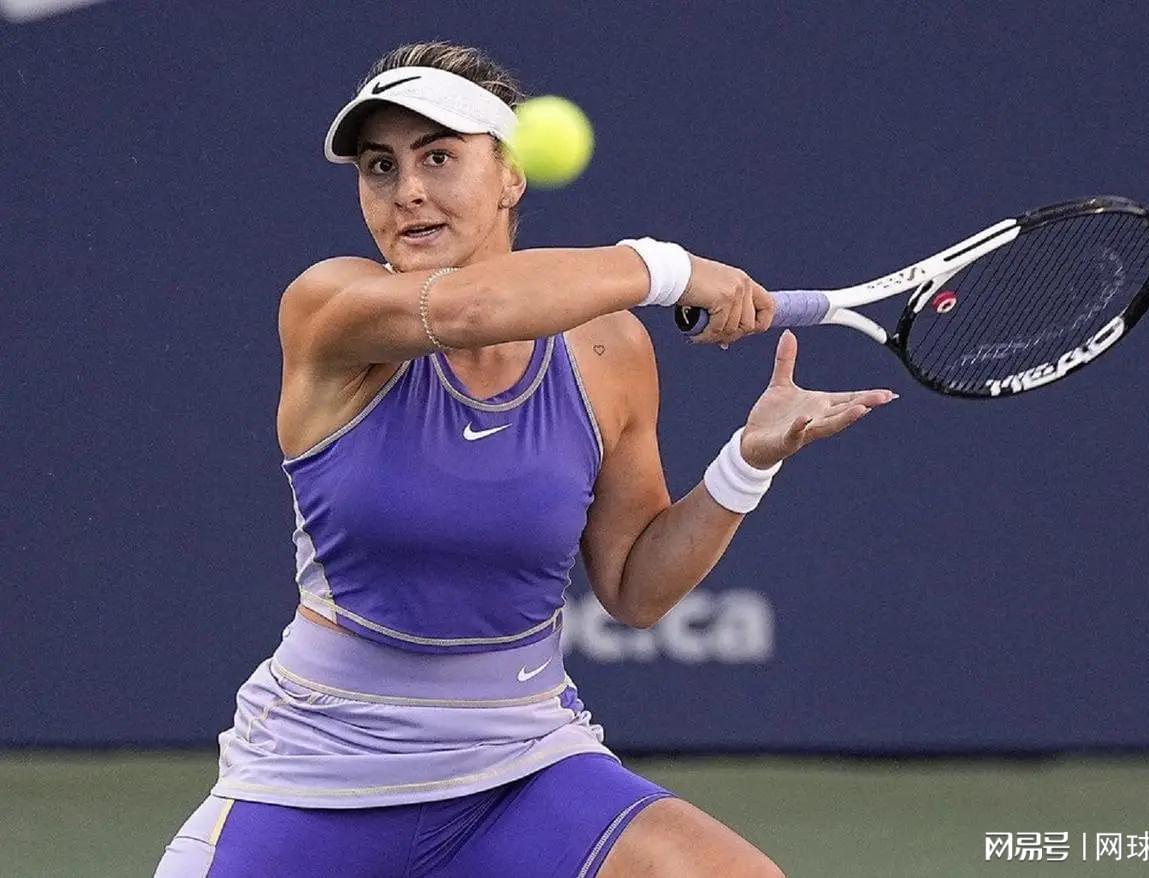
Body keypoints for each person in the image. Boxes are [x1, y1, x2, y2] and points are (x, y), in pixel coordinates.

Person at [154, 41, 895, 878]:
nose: (408, 190)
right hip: (315, 777)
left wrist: (747, 464)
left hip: (523, 769)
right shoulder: (331, 306)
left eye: (439, 157)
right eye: (380, 166)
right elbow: (472, 310)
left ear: (511, 176)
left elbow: (636, 589)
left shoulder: (607, 349)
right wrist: (670, 268)